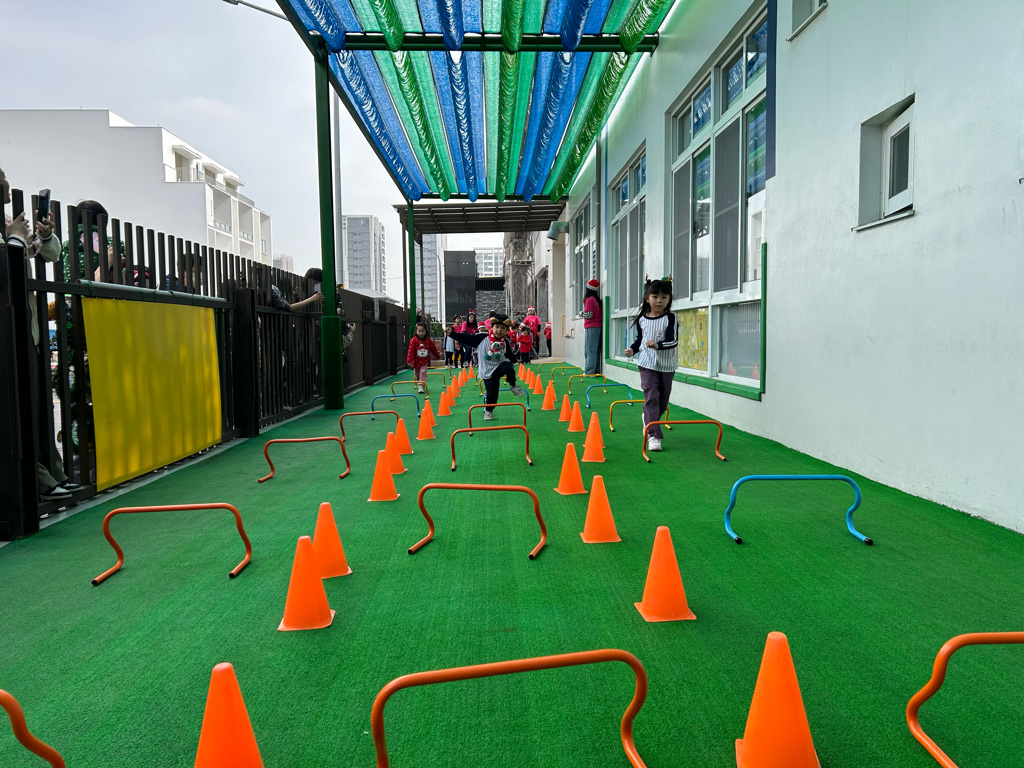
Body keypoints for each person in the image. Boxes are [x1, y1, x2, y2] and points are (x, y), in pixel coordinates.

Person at [1, 166, 74, 502]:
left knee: (37, 407)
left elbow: (52, 255)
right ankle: (40, 481)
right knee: (20, 412)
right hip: (10, 332)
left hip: (27, 328)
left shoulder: (9, 223)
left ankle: (51, 474)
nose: (6, 181)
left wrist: (43, 237)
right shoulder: (10, 229)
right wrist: (16, 240)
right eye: (1, 176)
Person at [623, 278, 677, 453]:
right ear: (647, 298)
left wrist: (657, 345)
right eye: (655, 297)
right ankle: (654, 436)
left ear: (669, 299)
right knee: (651, 397)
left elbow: (673, 341)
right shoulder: (642, 319)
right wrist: (632, 349)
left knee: (662, 402)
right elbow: (640, 340)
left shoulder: (671, 318)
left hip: (666, 366)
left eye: (664, 297)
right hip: (647, 365)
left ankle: (648, 417)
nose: (659, 301)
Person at [449, 313, 526, 420]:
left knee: (508, 366)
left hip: (499, 365)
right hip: (487, 370)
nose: (499, 330)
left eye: (503, 328)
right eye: (497, 327)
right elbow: (466, 337)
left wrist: (515, 360)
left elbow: (510, 355)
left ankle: (513, 386)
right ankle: (488, 411)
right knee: (492, 394)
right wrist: (451, 334)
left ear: (506, 331)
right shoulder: (481, 338)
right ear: (491, 327)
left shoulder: (505, 341)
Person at [407, 322, 441, 393]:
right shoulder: (414, 340)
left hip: (424, 361)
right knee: (417, 374)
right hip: (416, 361)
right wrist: (409, 360)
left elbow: (433, 349)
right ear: (416, 331)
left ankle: (421, 385)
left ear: (426, 331)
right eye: (419, 331)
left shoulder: (428, 341)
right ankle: (421, 381)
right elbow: (410, 350)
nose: (421, 333)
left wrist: (437, 356)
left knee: (422, 372)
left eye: (423, 331)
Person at [582, 278, 602, 374]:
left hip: (591, 327)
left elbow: (589, 315)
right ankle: (595, 370)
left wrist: (581, 313)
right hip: (597, 326)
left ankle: (589, 371)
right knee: (595, 350)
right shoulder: (597, 300)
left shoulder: (589, 300)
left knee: (589, 350)